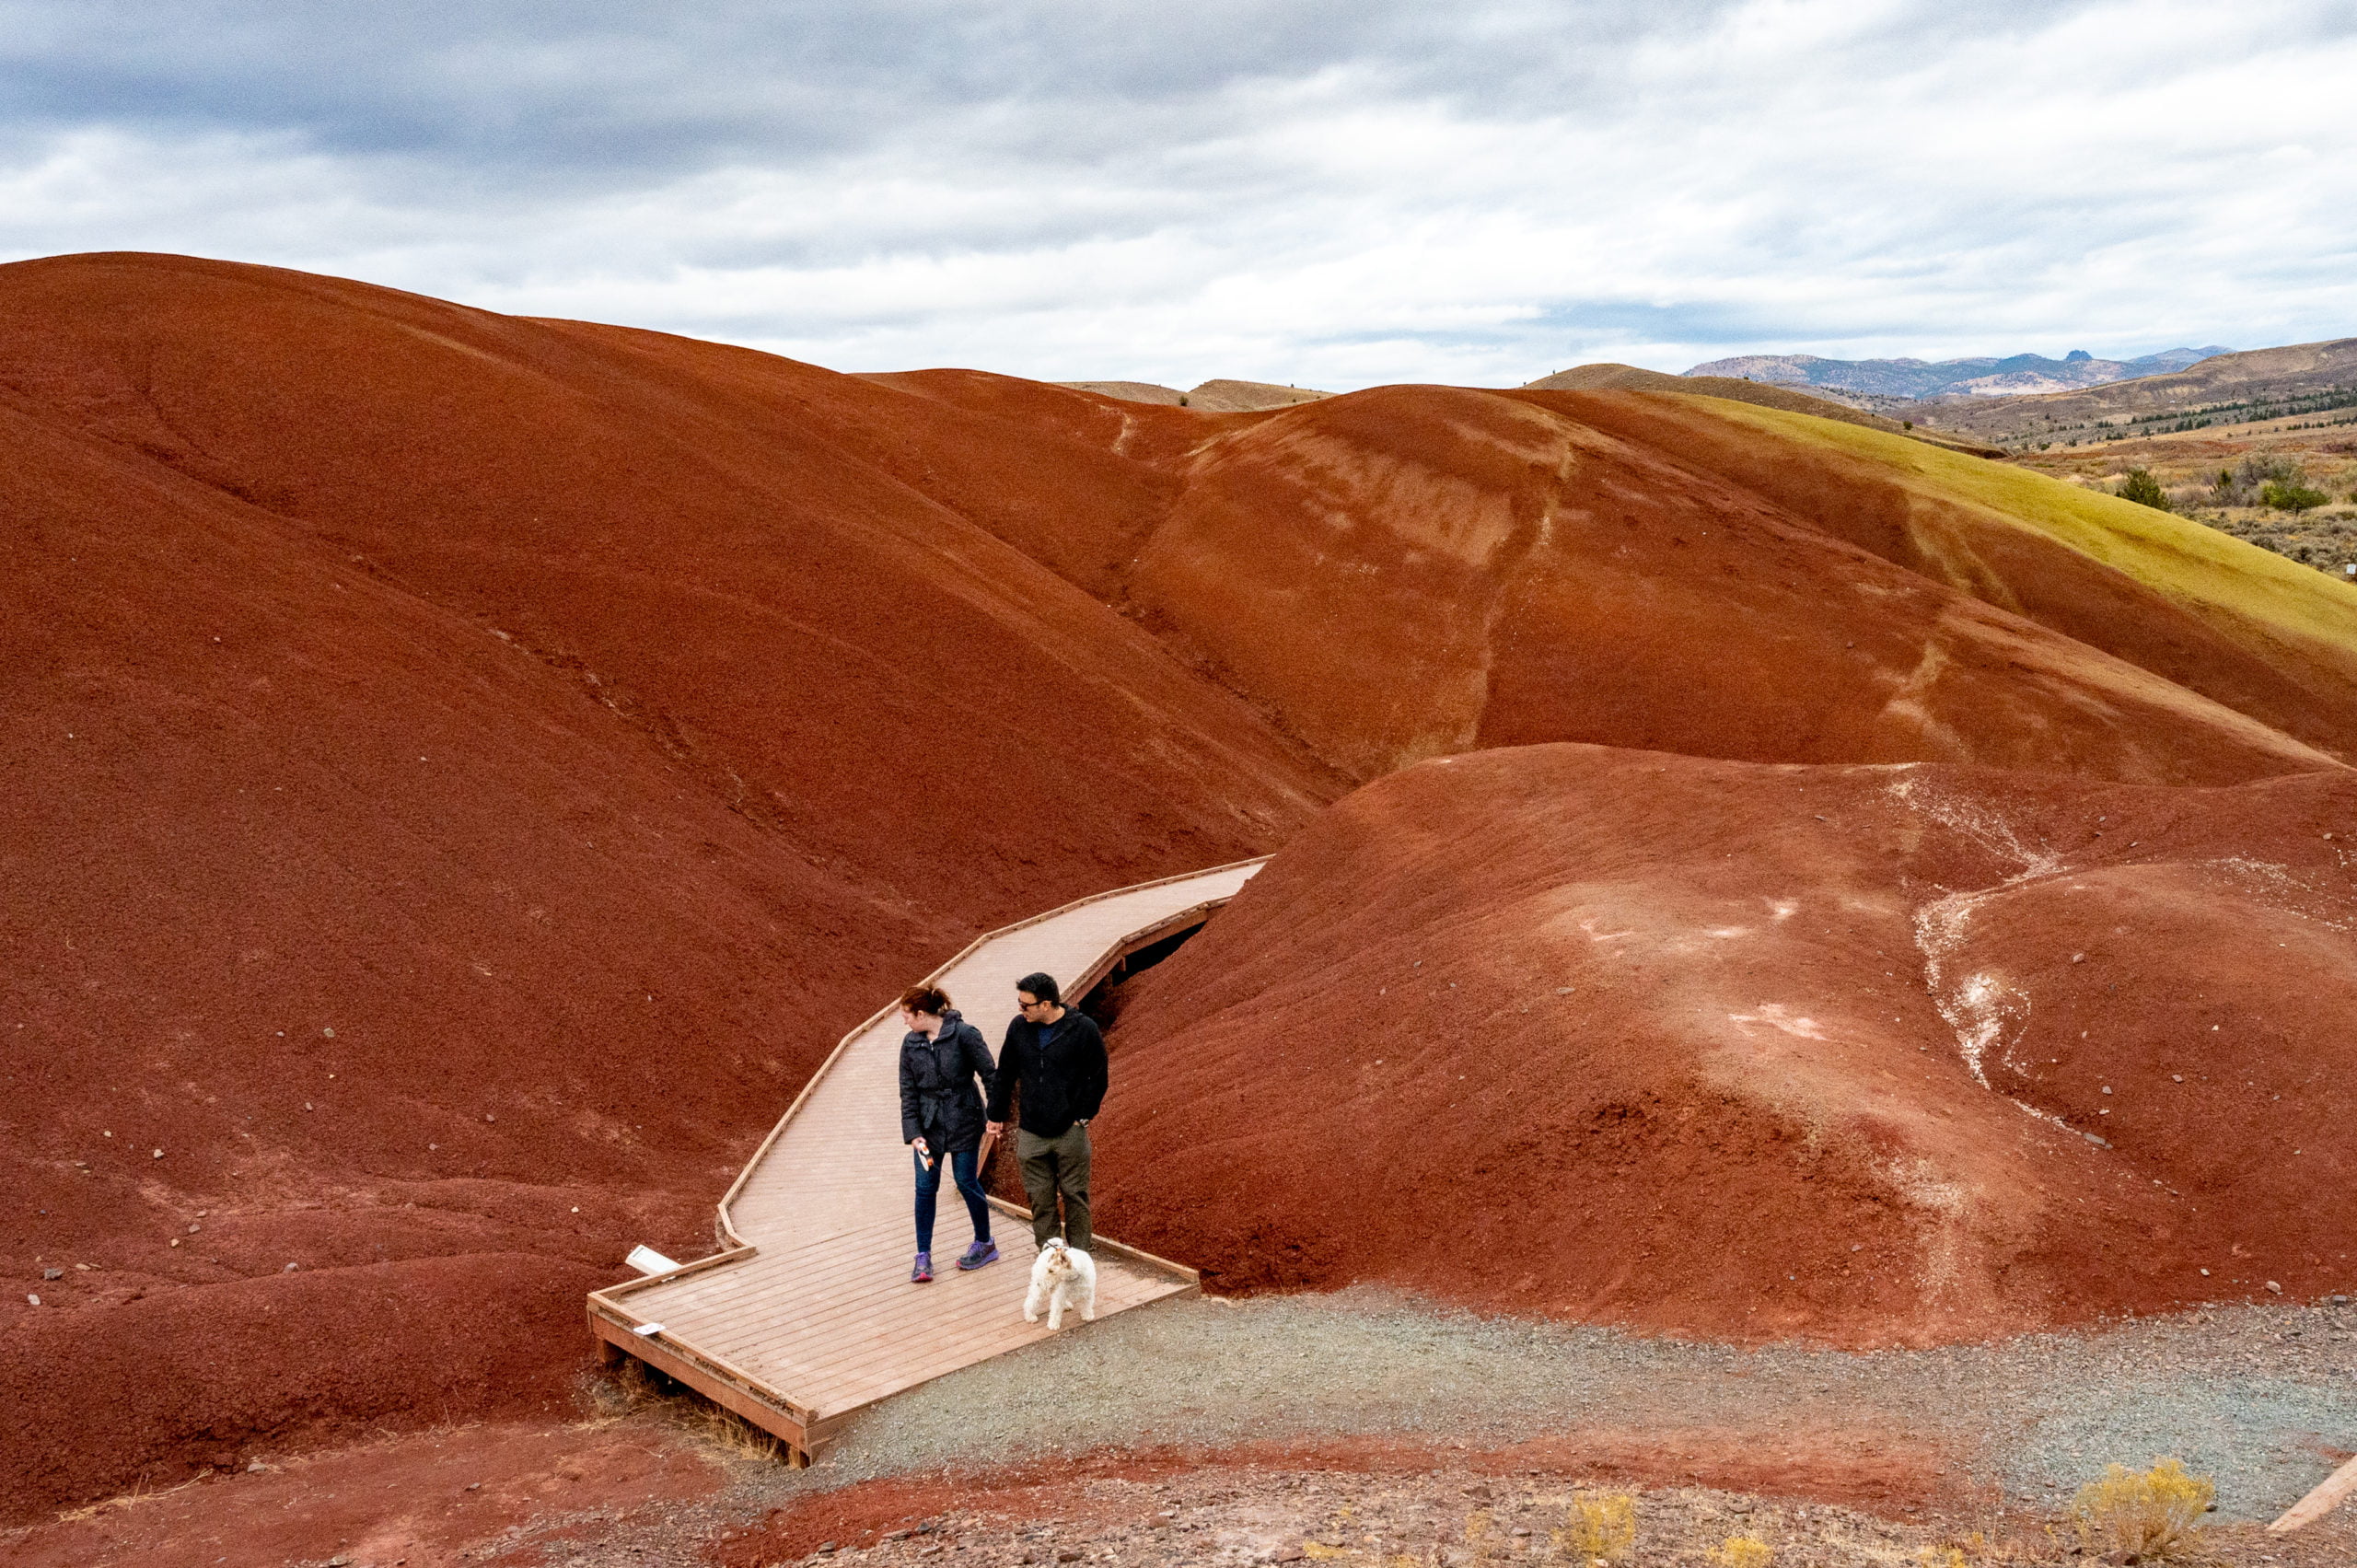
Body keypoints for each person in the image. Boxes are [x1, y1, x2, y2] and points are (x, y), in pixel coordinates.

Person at [985, 970, 1107, 1253]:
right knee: (1040, 1199)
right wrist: (995, 1114)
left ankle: (1078, 1258)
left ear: (1046, 1005)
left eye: (1025, 1005)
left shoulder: (1083, 1029)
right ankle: (1050, 1257)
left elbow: (1098, 1076)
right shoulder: (1019, 1028)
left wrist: (1083, 1116)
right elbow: (1005, 1074)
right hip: (1031, 1132)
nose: (1020, 1009)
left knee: (1075, 1195)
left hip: (1069, 1131)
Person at [897, 983, 999, 1283]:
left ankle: (985, 1243)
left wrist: (994, 1116)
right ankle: (923, 1257)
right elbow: (908, 1091)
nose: (904, 1022)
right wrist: (913, 1132)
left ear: (920, 1013)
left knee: (967, 1182)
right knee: (925, 1188)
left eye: (906, 1016)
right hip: (927, 1128)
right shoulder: (910, 1044)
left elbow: (990, 1075)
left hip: (965, 1118)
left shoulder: (965, 1034)